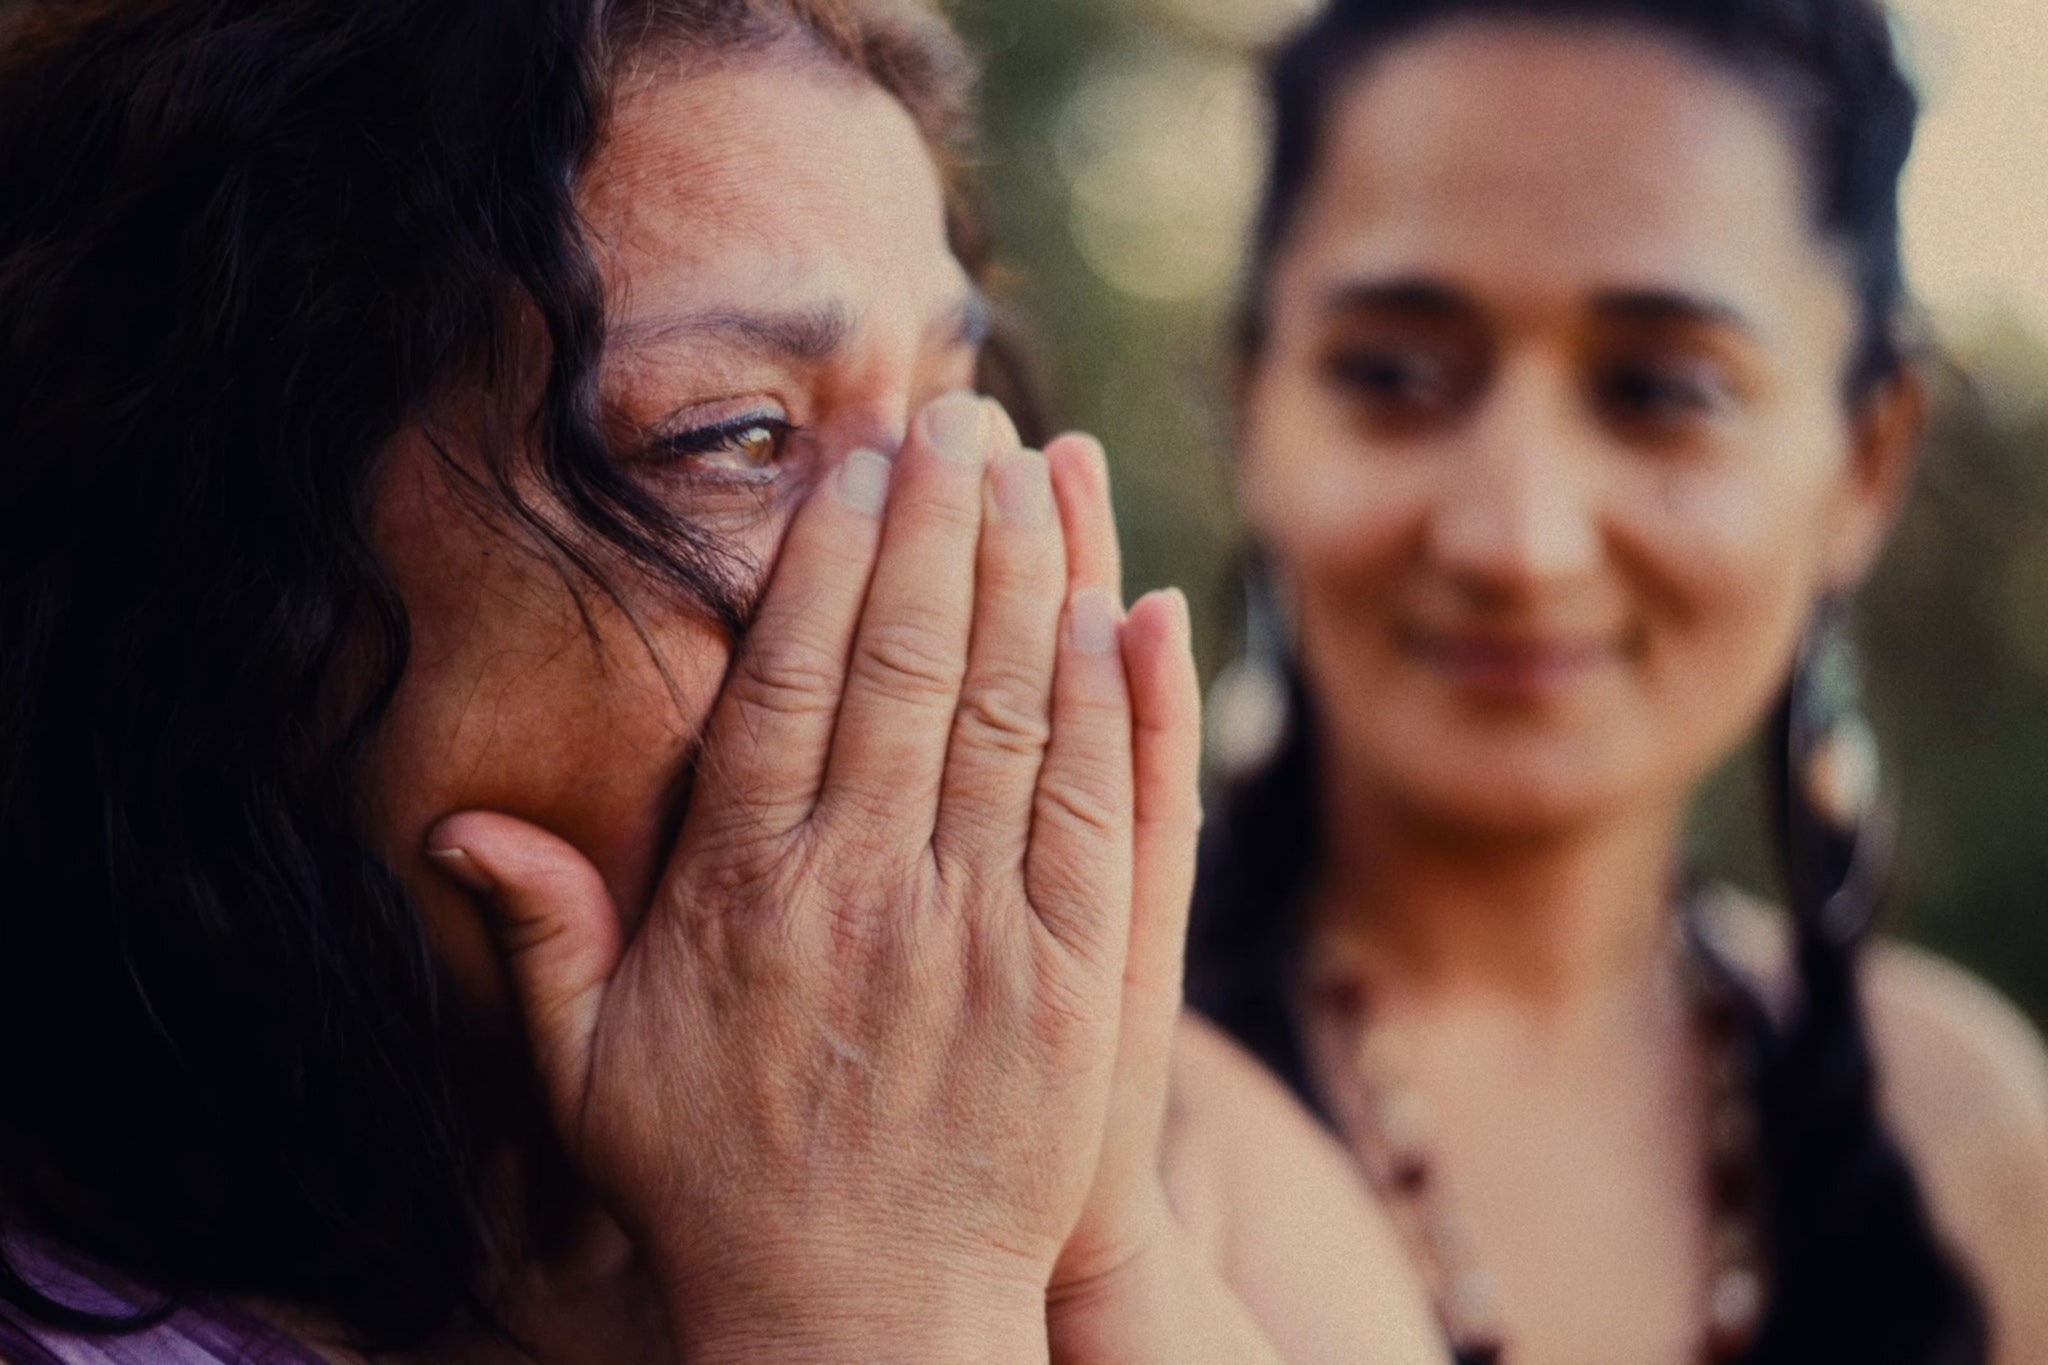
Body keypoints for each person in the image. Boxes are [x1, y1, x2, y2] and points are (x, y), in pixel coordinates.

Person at [0, 1, 1448, 1362]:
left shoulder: (1196, 1171)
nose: (938, 603)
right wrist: (876, 1289)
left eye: (959, 410)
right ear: (213, 550)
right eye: (736, 439)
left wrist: (1095, 1253)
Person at [1189, 0, 2048, 1362]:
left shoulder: (1964, 1134)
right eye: (1395, 373)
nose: (1516, 539)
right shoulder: (1052, 1097)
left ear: (1865, 461)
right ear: (1256, 407)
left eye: (1663, 390)